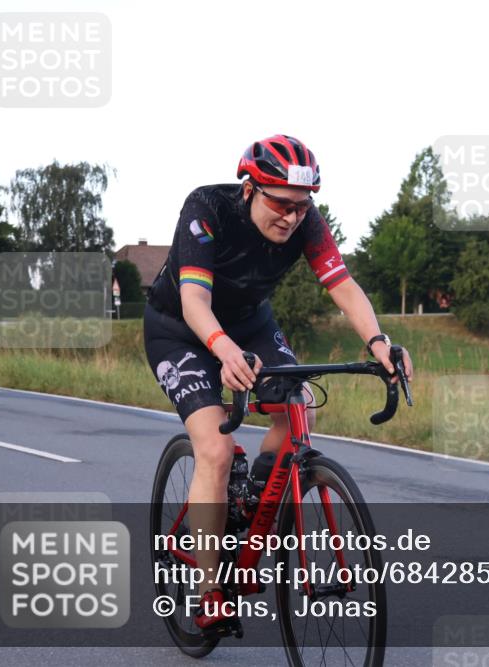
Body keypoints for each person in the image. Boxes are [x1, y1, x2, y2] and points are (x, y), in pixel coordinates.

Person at [143, 134, 413, 634]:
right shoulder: (209, 208)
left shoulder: (308, 222)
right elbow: (194, 303)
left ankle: (253, 495)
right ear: (250, 188)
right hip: (179, 328)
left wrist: (379, 342)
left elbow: (343, 285)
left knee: (301, 407)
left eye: (301, 207)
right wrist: (222, 350)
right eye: (281, 204)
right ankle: (209, 588)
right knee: (216, 451)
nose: (291, 217)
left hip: (250, 324)